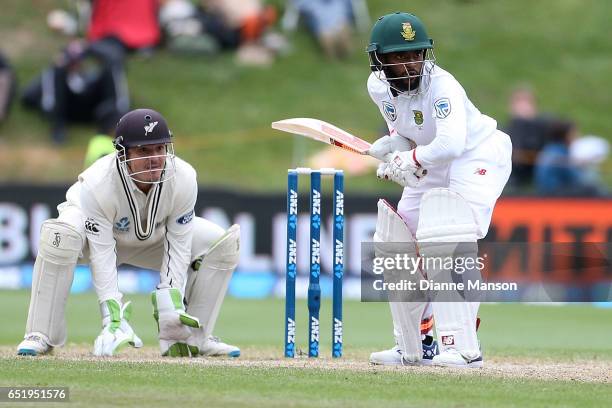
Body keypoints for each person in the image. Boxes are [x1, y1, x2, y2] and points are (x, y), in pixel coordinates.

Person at [17, 108, 241, 358]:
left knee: (221, 243)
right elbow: (102, 254)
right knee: (59, 236)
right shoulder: (98, 183)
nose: (155, 158)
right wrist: (112, 318)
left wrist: (171, 305)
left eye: (159, 148)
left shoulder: (184, 177)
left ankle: (196, 339)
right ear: (123, 153)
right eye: (144, 151)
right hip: (89, 240)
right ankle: (40, 334)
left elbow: (180, 243)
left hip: (149, 239)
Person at [365, 12, 512, 368]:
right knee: (396, 241)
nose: (410, 63)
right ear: (380, 60)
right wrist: (393, 147)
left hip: (476, 154)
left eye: (415, 53)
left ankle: (464, 348)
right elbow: (407, 131)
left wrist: (409, 158)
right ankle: (415, 344)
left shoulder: (441, 85)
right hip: (433, 160)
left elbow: (450, 143)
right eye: (399, 56)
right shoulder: (377, 86)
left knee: (449, 235)